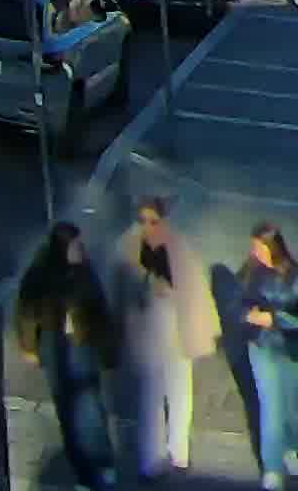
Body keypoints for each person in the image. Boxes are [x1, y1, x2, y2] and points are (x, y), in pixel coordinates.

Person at [113, 197, 214, 478]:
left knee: (180, 390)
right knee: (151, 397)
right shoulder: (130, 249)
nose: (148, 227)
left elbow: (195, 289)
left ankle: (179, 451)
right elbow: (123, 295)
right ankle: (151, 460)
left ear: (164, 220)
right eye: (143, 221)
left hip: (177, 327)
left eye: (153, 221)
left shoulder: (179, 247)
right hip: (148, 330)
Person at [15, 222, 122, 488]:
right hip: (56, 345)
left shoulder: (83, 273)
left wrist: (109, 353)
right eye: (75, 244)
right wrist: (29, 347)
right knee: (68, 409)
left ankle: (101, 464)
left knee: (89, 409)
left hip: (81, 344)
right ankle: (86, 472)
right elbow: (27, 312)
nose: (80, 248)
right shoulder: (43, 274)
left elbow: (101, 314)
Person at [237, 224, 298, 489]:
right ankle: (272, 468)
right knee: (271, 409)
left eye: (259, 248)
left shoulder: (297, 278)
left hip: (290, 349)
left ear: (273, 248)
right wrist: (247, 317)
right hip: (262, 347)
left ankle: (288, 448)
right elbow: (238, 305)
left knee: (287, 406)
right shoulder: (250, 272)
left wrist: (274, 318)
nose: (255, 253)